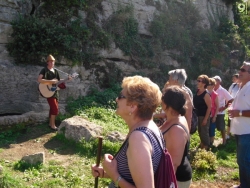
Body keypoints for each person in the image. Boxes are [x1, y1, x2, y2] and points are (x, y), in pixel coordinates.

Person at [91, 76, 164, 188]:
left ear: (132, 106)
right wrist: (107, 173)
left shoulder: (138, 138)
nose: (116, 99)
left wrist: (115, 175)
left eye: (121, 97)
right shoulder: (151, 127)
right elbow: (135, 175)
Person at [160, 86, 192, 188]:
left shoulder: (176, 130)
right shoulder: (176, 118)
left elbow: (173, 164)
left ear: (165, 104)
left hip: (176, 179)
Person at [228, 61, 250, 188]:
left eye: (243, 70)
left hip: (247, 131)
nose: (239, 72)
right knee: (241, 161)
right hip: (240, 130)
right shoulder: (241, 86)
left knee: (245, 161)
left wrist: (239, 113)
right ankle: (243, 184)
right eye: (240, 69)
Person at [37, 55, 64, 130]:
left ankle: (50, 124)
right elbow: (39, 80)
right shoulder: (44, 70)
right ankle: (53, 125)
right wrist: (51, 81)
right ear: (47, 62)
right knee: (55, 109)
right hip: (48, 92)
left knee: (52, 109)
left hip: (55, 92)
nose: (52, 63)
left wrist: (68, 79)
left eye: (53, 61)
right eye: (51, 61)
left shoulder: (55, 71)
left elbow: (58, 81)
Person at [213, 75, 233, 145]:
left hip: (220, 112)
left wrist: (225, 107)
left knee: (221, 127)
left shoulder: (222, 90)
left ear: (219, 82)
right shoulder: (211, 89)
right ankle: (211, 141)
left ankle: (224, 141)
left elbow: (231, 99)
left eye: (216, 81)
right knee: (211, 127)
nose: (214, 82)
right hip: (212, 112)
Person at [193, 75, 211, 150]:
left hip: (203, 116)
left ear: (204, 83)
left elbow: (209, 107)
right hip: (198, 115)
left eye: (199, 81)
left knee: (204, 132)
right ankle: (202, 145)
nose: (197, 82)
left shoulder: (206, 94)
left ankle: (206, 148)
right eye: (198, 80)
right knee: (200, 131)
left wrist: (205, 119)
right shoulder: (197, 91)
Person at [226, 74, 240, 139]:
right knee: (230, 120)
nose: (233, 80)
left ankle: (236, 133)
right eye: (233, 79)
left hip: (239, 106)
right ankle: (228, 134)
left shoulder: (242, 86)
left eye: (234, 79)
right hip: (232, 105)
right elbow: (229, 93)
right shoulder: (233, 85)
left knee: (237, 120)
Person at [206, 78, 219, 146]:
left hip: (212, 115)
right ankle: (206, 143)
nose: (208, 85)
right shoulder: (204, 93)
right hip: (205, 115)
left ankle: (211, 144)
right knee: (205, 130)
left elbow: (217, 106)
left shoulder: (215, 94)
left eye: (210, 84)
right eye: (207, 84)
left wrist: (215, 116)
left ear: (213, 85)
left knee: (211, 130)